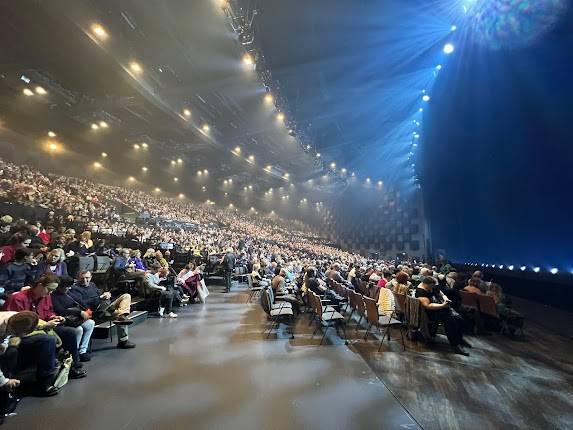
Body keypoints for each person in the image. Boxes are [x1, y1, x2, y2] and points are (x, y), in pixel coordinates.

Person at [5, 274, 87, 378]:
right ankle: (45, 379)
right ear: (39, 285)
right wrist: (43, 326)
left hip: (44, 327)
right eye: (49, 289)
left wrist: (54, 317)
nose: (50, 293)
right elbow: (17, 326)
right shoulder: (18, 298)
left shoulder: (46, 296)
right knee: (47, 339)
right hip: (21, 333)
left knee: (69, 332)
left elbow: (49, 312)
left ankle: (72, 367)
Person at [0, 311, 61, 396]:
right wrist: (4, 382)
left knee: (47, 340)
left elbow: (30, 325)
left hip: (6, 337)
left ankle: (44, 383)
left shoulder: (15, 316)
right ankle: (5, 388)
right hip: (5, 337)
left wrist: (44, 326)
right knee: (11, 351)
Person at [70, 271, 136, 349]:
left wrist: (107, 295)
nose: (85, 280)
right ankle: (123, 340)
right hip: (94, 312)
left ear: (91, 277)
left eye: (87, 278)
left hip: (105, 306)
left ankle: (121, 315)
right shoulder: (75, 289)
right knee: (121, 316)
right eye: (82, 278)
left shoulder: (92, 285)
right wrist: (100, 298)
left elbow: (99, 296)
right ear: (77, 278)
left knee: (126, 296)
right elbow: (83, 304)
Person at [415, 276, 471, 356]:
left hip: (439, 309)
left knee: (459, 319)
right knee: (451, 322)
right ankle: (455, 345)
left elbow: (441, 293)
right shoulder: (421, 292)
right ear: (426, 284)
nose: (433, 288)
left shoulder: (431, 287)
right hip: (431, 313)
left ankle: (459, 339)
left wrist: (445, 299)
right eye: (432, 286)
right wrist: (442, 305)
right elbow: (428, 305)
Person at [51, 277, 95, 361]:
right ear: (59, 287)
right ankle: (73, 354)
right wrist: (79, 312)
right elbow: (60, 310)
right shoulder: (54, 296)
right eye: (65, 287)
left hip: (75, 319)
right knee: (79, 329)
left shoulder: (69, 293)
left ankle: (82, 351)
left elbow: (82, 303)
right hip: (65, 319)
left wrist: (86, 310)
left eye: (68, 287)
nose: (67, 289)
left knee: (90, 323)